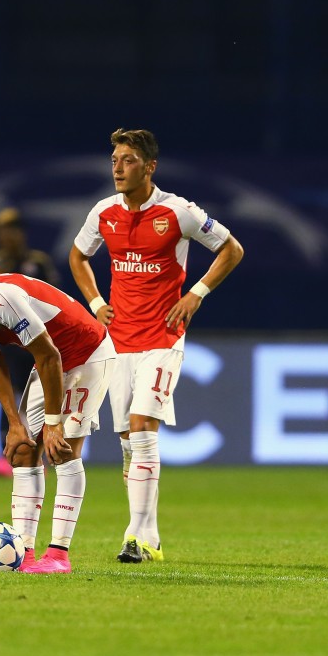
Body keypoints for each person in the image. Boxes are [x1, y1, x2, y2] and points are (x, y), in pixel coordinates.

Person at [69, 128, 244, 563]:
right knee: (129, 442)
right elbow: (78, 256)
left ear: (149, 167)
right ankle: (151, 538)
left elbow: (231, 249)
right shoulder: (104, 212)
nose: (117, 167)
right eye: (114, 159)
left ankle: (134, 536)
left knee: (143, 425)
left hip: (163, 339)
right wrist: (95, 302)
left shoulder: (178, 212)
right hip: (119, 343)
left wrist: (196, 294)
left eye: (127, 160)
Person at [0, 272, 116, 574]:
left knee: (62, 449)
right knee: (23, 450)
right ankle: (22, 553)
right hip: (50, 359)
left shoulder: (1, 302)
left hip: (86, 352)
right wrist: (14, 423)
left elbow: (49, 356)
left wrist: (54, 424)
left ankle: (58, 555)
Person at [0, 207, 60, 478]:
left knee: (38, 396)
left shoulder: (39, 262)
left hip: (35, 341)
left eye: (12, 230)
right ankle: (7, 454)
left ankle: (39, 455)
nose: (7, 236)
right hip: (7, 342)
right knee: (8, 397)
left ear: (21, 233)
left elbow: (54, 299)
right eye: (3, 231)